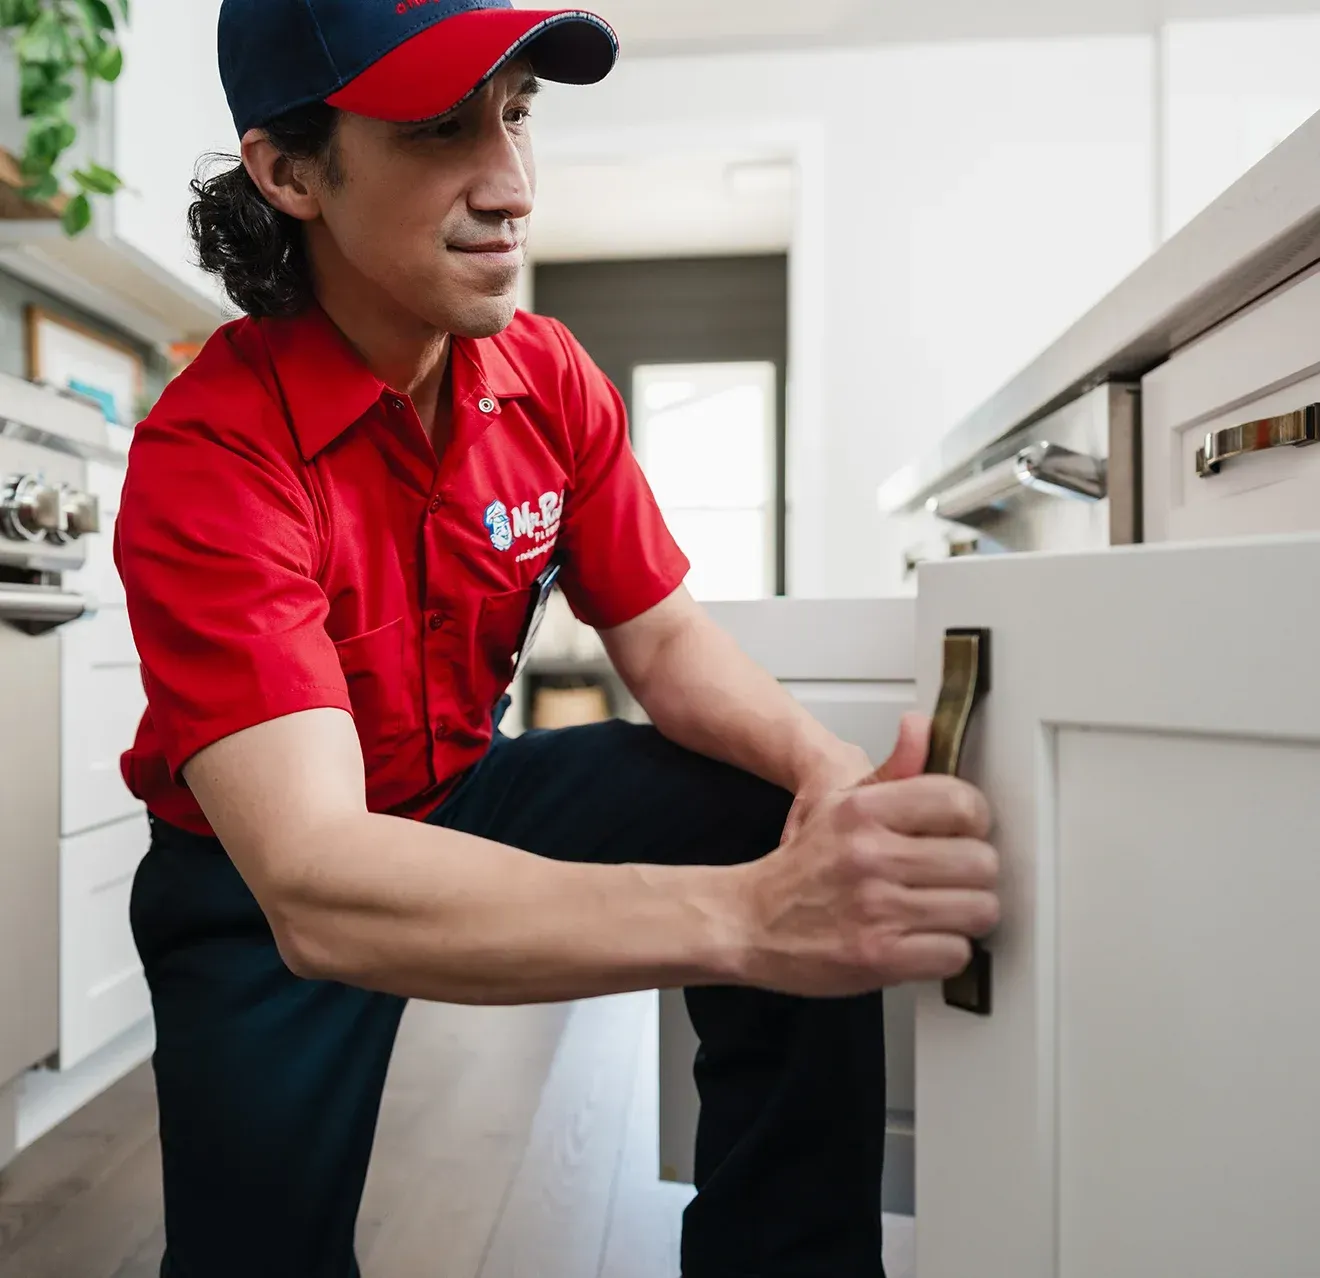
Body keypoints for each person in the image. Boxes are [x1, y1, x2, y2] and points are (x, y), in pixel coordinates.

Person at [114, 1, 1000, 1274]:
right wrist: (754, 920)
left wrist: (833, 785)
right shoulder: (212, 454)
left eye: (517, 114)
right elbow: (313, 881)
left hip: (467, 788)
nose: (513, 184)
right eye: (438, 128)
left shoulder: (549, 378)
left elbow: (668, 642)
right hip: (256, 883)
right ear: (290, 170)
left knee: (766, 807)